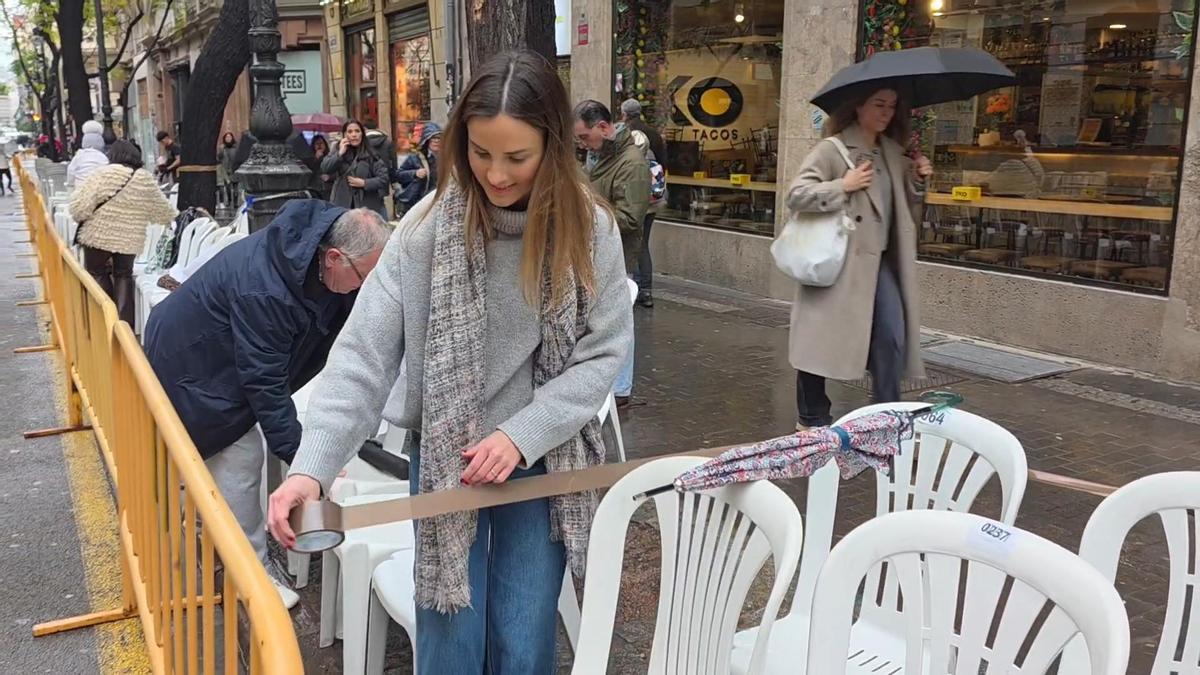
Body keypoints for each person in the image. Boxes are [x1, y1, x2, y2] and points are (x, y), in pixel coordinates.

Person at [267, 50, 632, 673]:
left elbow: (601, 357)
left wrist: (521, 436)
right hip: (443, 458)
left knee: (523, 637)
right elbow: (362, 356)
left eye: (517, 157)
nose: (495, 174)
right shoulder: (427, 229)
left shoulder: (588, 227)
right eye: (480, 153)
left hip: (543, 461)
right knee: (447, 636)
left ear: (553, 145)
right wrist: (311, 469)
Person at [143, 200, 393, 608]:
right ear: (334, 258)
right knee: (240, 456)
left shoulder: (318, 258)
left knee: (233, 457)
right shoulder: (267, 287)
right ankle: (252, 578)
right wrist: (304, 460)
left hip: (209, 351)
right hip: (193, 364)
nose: (367, 288)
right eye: (365, 277)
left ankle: (219, 534)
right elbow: (264, 383)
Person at [786, 84, 930, 429]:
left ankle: (885, 414)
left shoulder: (893, 153)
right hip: (837, 263)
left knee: (892, 337)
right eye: (878, 104)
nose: (886, 113)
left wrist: (919, 180)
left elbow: (901, 210)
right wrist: (842, 186)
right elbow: (796, 195)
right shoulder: (832, 150)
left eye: (892, 106)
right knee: (818, 344)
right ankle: (812, 417)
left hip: (880, 263)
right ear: (857, 108)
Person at [574, 99, 650, 407]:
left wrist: (585, 216)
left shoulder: (631, 163)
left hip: (618, 255)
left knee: (618, 322)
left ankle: (620, 389)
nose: (583, 144)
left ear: (604, 128)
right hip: (597, 252)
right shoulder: (602, 156)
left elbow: (631, 218)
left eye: (585, 137)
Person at [69, 140, 177, 325]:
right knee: (123, 275)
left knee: (97, 273)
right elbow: (163, 212)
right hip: (129, 238)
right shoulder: (143, 179)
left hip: (97, 235)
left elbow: (79, 207)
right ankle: (124, 324)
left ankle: (104, 320)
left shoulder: (102, 174)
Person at [621, 99, 665, 307]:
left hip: (634, 201)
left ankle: (634, 287)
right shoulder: (654, 134)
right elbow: (665, 162)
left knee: (632, 245)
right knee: (642, 244)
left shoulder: (624, 137)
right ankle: (645, 289)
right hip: (653, 199)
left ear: (624, 114)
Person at [321, 119, 390, 219]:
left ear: (362, 134)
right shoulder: (337, 150)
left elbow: (383, 178)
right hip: (343, 206)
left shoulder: (371, 154)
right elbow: (325, 168)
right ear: (344, 135)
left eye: (357, 131)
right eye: (350, 132)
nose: (354, 135)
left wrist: (364, 183)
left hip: (366, 208)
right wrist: (340, 154)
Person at [393, 122, 441, 217]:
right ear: (427, 140)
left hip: (440, 204)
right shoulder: (415, 158)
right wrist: (415, 173)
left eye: (439, 138)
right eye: (433, 138)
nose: (436, 141)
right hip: (419, 204)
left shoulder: (448, 158)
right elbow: (398, 176)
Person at [67, 121, 110, 189]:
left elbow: (71, 170)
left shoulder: (79, 156)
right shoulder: (103, 157)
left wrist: (70, 184)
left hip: (81, 187)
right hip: (98, 187)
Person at [217, 131, 239, 207]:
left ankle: (236, 202)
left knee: (236, 189)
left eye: (229, 137)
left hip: (235, 170)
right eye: (226, 137)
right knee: (228, 188)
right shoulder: (223, 148)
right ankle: (229, 201)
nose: (228, 138)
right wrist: (220, 150)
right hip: (226, 171)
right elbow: (219, 158)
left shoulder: (236, 147)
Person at [310, 134, 332, 200]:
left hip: (328, 189)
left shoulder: (330, 157)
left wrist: (330, 177)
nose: (319, 145)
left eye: (321, 143)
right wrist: (316, 159)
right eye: (317, 143)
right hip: (316, 190)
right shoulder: (310, 158)